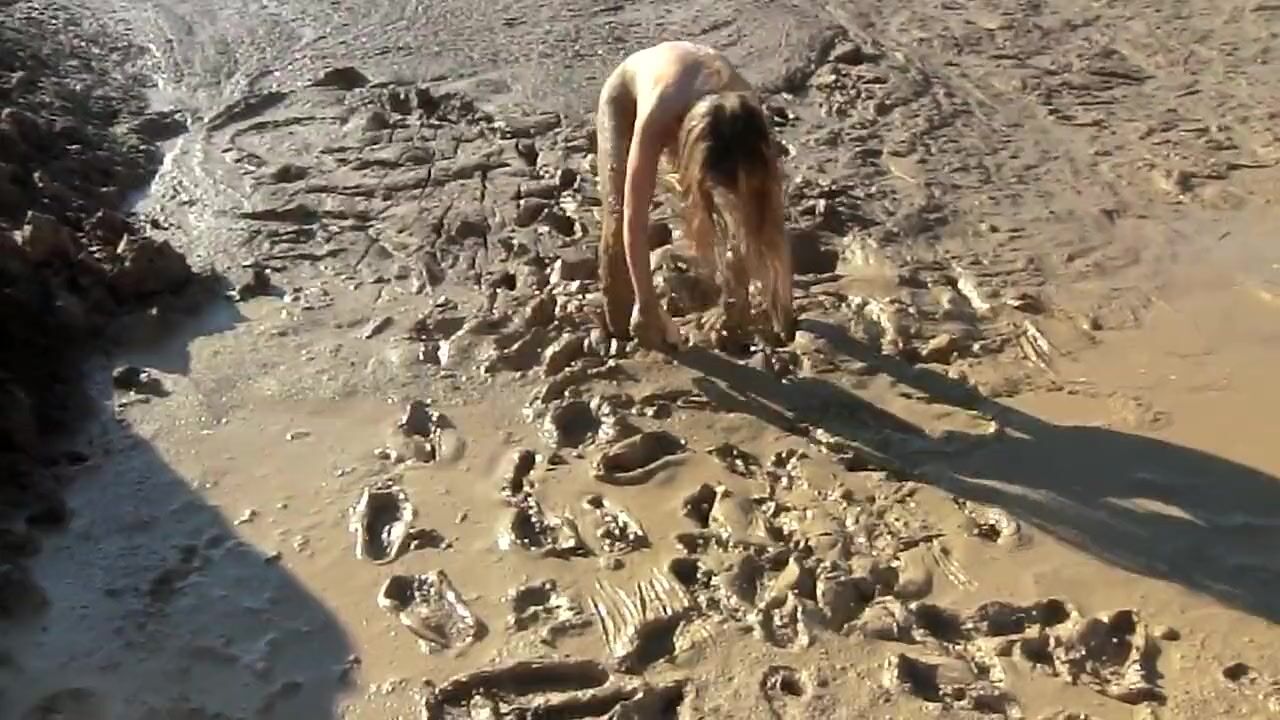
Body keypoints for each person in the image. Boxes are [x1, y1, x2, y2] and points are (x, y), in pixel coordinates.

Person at [595, 41, 793, 351]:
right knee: (617, 213)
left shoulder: (749, 119)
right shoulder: (659, 111)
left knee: (743, 207)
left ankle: (735, 304)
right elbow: (634, 219)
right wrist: (646, 302)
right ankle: (619, 325)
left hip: (696, 101)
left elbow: (771, 216)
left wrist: (783, 304)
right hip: (625, 97)